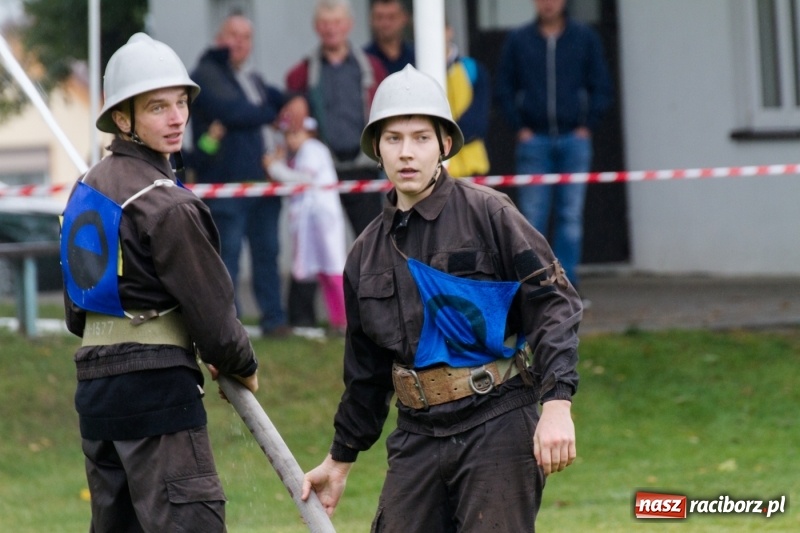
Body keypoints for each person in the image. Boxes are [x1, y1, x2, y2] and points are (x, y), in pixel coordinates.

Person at [301, 64, 582, 532]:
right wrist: (340, 459)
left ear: (445, 145)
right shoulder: (364, 253)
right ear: (377, 149)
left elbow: (553, 301)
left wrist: (557, 404)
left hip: (496, 420)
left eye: (420, 138)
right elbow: (366, 375)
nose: (406, 153)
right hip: (416, 433)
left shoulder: (490, 213)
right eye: (393, 139)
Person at [60, 33, 258, 532]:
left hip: (95, 394)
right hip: (158, 393)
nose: (175, 119)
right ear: (123, 118)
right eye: (157, 107)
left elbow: (74, 314)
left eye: (180, 104)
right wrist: (242, 363)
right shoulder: (168, 205)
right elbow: (214, 317)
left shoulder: (83, 194)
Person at [495, 0, 613, 293]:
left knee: (570, 218)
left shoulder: (584, 38)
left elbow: (601, 85)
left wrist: (588, 125)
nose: (548, 3)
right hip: (534, 141)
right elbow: (504, 88)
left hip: (574, 140)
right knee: (531, 219)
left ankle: (567, 285)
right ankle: (536, 287)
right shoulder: (518, 40)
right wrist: (520, 128)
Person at [285, 0, 388, 328]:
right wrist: (294, 103)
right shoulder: (303, 72)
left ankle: (374, 314)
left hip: (361, 166)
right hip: (321, 172)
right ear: (318, 28)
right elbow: (286, 112)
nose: (331, 29)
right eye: (325, 24)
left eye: (337, 23)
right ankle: (301, 320)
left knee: (371, 243)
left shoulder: (370, 66)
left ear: (349, 25)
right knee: (311, 243)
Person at [190, 14, 290, 337]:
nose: (240, 42)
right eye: (233, 34)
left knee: (267, 255)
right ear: (219, 38)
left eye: (246, 36)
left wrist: (292, 103)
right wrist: (270, 113)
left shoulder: (253, 79)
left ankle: (274, 320)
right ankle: (229, 326)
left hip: (263, 184)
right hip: (227, 186)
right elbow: (232, 111)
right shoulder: (206, 73)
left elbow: (279, 98)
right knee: (226, 258)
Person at [263, 116, 348, 337]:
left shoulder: (312, 148)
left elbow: (301, 180)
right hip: (313, 220)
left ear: (309, 133)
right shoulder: (304, 152)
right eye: (288, 135)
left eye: (295, 134)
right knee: (324, 272)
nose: (290, 140)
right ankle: (337, 320)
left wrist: (274, 167)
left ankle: (344, 320)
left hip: (321, 218)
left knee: (332, 269)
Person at [444, 23, 491, 178]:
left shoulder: (472, 68)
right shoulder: (417, 71)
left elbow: (480, 117)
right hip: (436, 166)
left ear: (449, 31)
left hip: (473, 164)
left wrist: (451, 135)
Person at [364, 0, 415, 74]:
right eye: (379, 17)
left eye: (392, 17)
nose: (386, 23)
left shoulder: (416, 56)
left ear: (404, 18)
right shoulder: (364, 60)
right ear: (371, 20)